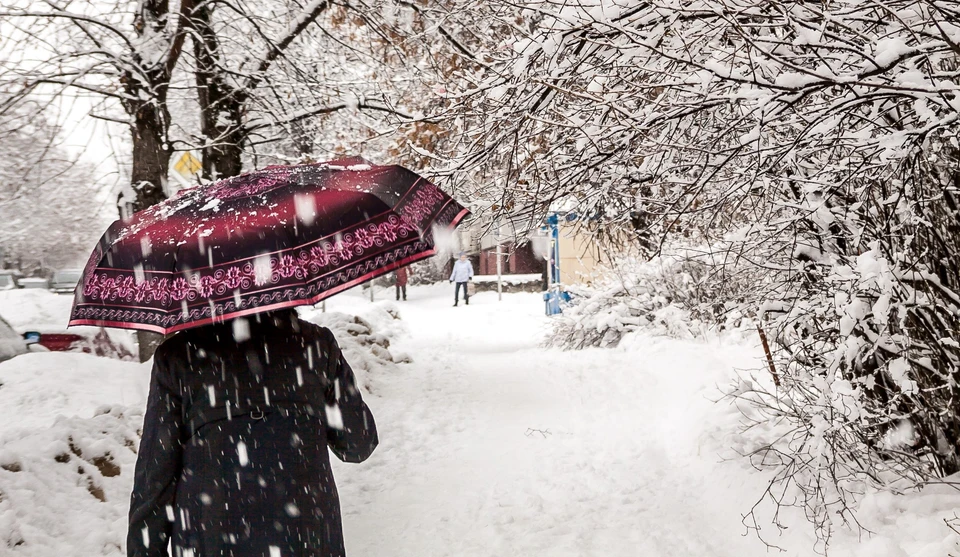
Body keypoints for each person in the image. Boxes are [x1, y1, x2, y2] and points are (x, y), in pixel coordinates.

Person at [127, 309, 378, 557]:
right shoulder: (315, 344)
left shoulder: (178, 357)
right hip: (306, 533)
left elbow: (155, 473)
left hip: (210, 534)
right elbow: (358, 444)